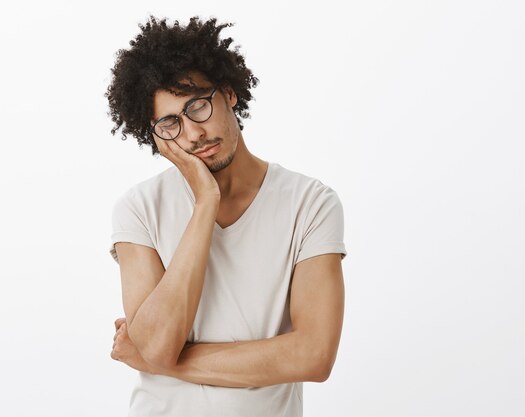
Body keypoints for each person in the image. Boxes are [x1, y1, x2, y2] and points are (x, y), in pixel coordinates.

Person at [105, 15, 348, 417]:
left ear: (229, 94)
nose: (193, 133)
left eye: (198, 106)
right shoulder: (139, 208)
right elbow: (160, 343)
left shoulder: (311, 203)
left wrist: (153, 361)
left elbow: (313, 356)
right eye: (171, 123)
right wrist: (205, 203)